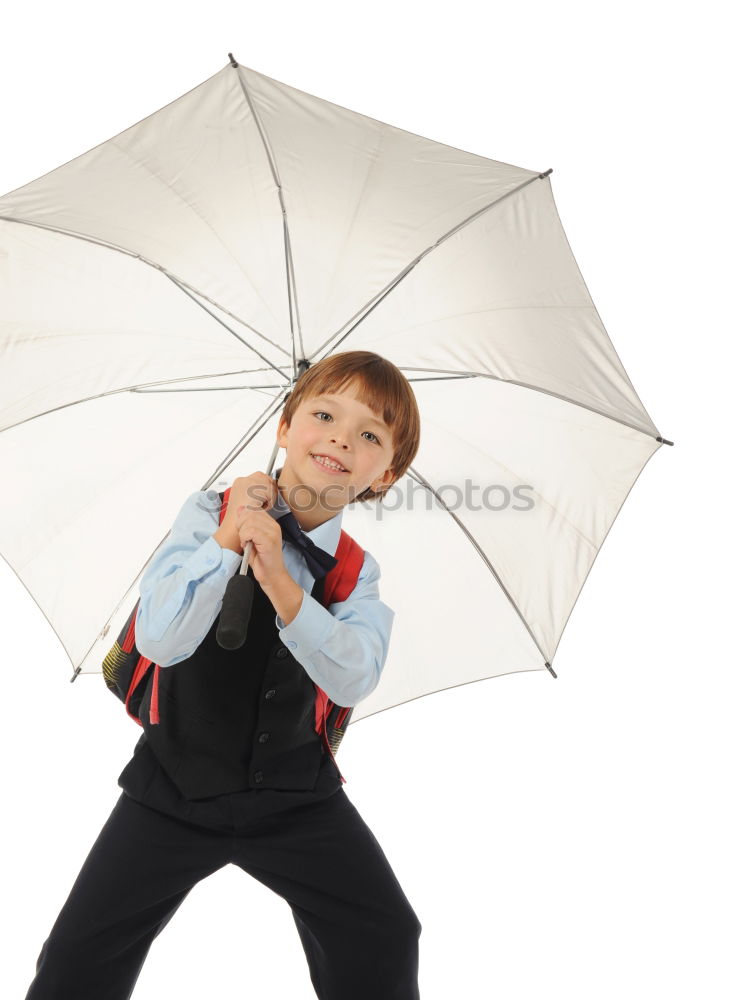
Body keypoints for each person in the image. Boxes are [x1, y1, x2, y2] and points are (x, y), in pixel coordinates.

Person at [25, 350, 423, 1000]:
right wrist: (227, 543)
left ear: (386, 474)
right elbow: (158, 636)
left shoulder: (356, 571)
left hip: (298, 797)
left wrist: (286, 592)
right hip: (174, 786)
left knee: (383, 931)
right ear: (285, 426)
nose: (341, 438)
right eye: (323, 414)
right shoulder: (207, 514)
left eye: (370, 434)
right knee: (81, 952)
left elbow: (354, 677)